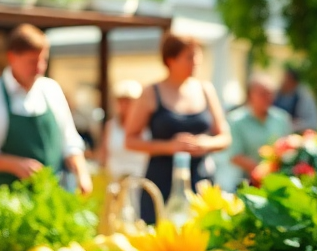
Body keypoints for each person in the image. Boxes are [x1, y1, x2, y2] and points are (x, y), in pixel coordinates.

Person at [0, 24, 91, 194]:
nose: (39, 67)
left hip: (55, 194)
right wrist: (13, 164)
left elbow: (69, 140)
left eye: (43, 60)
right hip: (11, 199)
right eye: (32, 61)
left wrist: (81, 173)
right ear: (12, 57)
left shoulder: (51, 90)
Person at [124, 33, 230, 223]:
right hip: (161, 179)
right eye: (189, 57)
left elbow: (225, 137)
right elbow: (130, 140)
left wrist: (206, 144)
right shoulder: (151, 93)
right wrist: (169, 146)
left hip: (200, 179)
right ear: (171, 60)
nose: (196, 62)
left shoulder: (206, 90)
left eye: (197, 56)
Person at [227, 74, 292, 185]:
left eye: (270, 93)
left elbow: (289, 148)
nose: (268, 98)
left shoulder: (282, 118)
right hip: (246, 182)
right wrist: (262, 171)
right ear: (250, 94)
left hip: (278, 181)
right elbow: (234, 155)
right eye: (263, 94)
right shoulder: (236, 120)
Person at [95, 79, 147, 180]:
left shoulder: (147, 126)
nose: (124, 105)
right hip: (115, 183)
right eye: (121, 101)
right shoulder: (110, 126)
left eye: (129, 101)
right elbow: (103, 155)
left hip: (142, 183)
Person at [273, 67, 317, 132]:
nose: (282, 82)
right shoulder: (278, 93)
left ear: (293, 81)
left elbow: (313, 122)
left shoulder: (304, 96)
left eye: (286, 79)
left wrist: (291, 125)